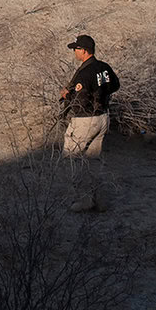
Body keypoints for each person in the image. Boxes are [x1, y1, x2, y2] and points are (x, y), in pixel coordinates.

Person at [60, 34, 121, 211]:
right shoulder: (103, 67)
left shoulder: (84, 73)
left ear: (84, 51)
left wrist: (67, 95)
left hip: (85, 120)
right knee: (94, 161)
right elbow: (114, 85)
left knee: (73, 158)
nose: (74, 52)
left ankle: (83, 200)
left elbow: (80, 100)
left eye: (76, 49)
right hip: (103, 118)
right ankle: (98, 199)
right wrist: (101, 94)